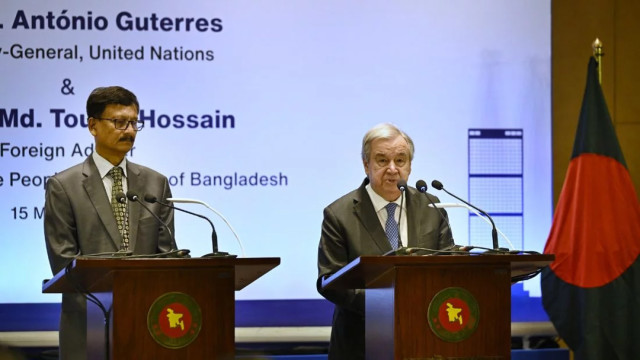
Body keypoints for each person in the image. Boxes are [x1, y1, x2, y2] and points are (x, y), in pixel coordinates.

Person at [44, 86, 176, 360]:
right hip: (87, 327)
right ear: (92, 125)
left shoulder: (156, 183)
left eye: (134, 122)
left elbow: (167, 258)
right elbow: (63, 262)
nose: (128, 130)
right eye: (118, 122)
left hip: (147, 325)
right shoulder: (63, 187)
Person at [316, 123, 454, 359]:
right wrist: (387, 305)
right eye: (382, 160)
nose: (392, 169)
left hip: (426, 340)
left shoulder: (432, 207)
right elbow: (329, 280)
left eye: (400, 160)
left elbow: (449, 266)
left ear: (409, 166)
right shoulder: (339, 214)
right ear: (366, 165)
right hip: (361, 344)